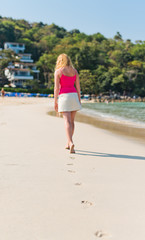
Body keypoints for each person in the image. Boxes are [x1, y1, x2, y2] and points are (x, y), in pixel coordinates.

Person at [54, 53, 82, 154]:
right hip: (74, 96)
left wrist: (55, 101)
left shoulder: (58, 71)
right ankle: (68, 142)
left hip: (64, 97)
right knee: (72, 121)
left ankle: (70, 142)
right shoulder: (74, 71)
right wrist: (79, 98)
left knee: (67, 121)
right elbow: (78, 87)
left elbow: (56, 88)